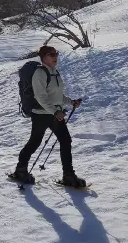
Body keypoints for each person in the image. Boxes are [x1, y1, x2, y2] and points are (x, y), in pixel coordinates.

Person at [11, 45, 86, 187]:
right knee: (35, 142)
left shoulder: (55, 73)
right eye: (51, 54)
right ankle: (21, 169)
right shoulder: (39, 73)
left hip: (55, 114)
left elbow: (58, 96)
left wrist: (71, 102)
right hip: (41, 115)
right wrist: (55, 112)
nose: (55, 57)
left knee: (65, 141)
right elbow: (41, 97)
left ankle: (68, 175)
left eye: (56, 54)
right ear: (43, 57)